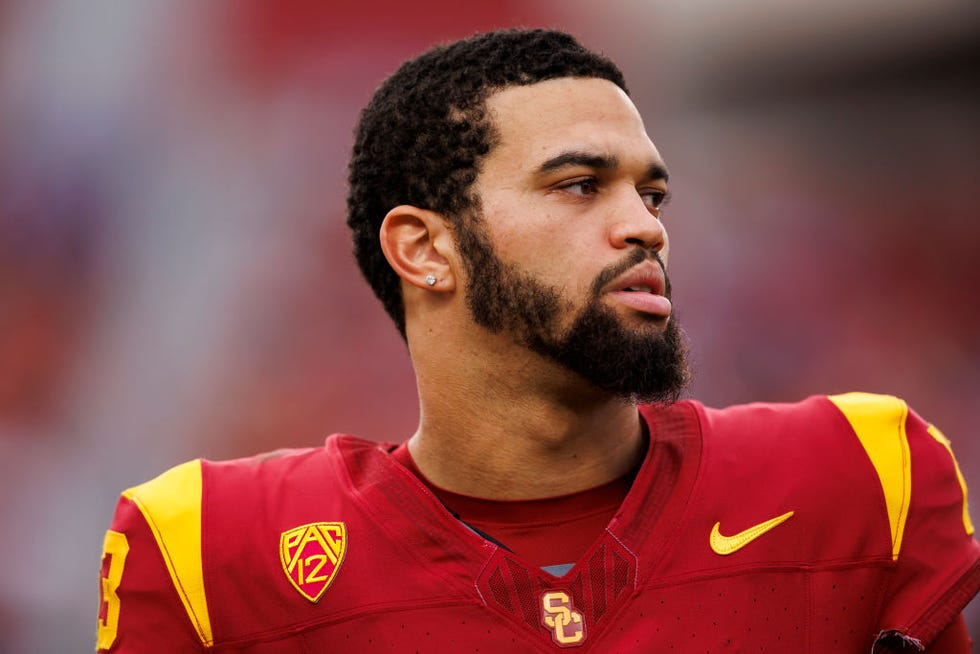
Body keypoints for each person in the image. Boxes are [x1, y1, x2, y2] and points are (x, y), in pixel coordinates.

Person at [96, 29, 979, 652]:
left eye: (652, 193)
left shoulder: (857, 476)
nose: (645, 227)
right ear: (425, 248)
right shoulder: (213, 554)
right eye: (579, 185)